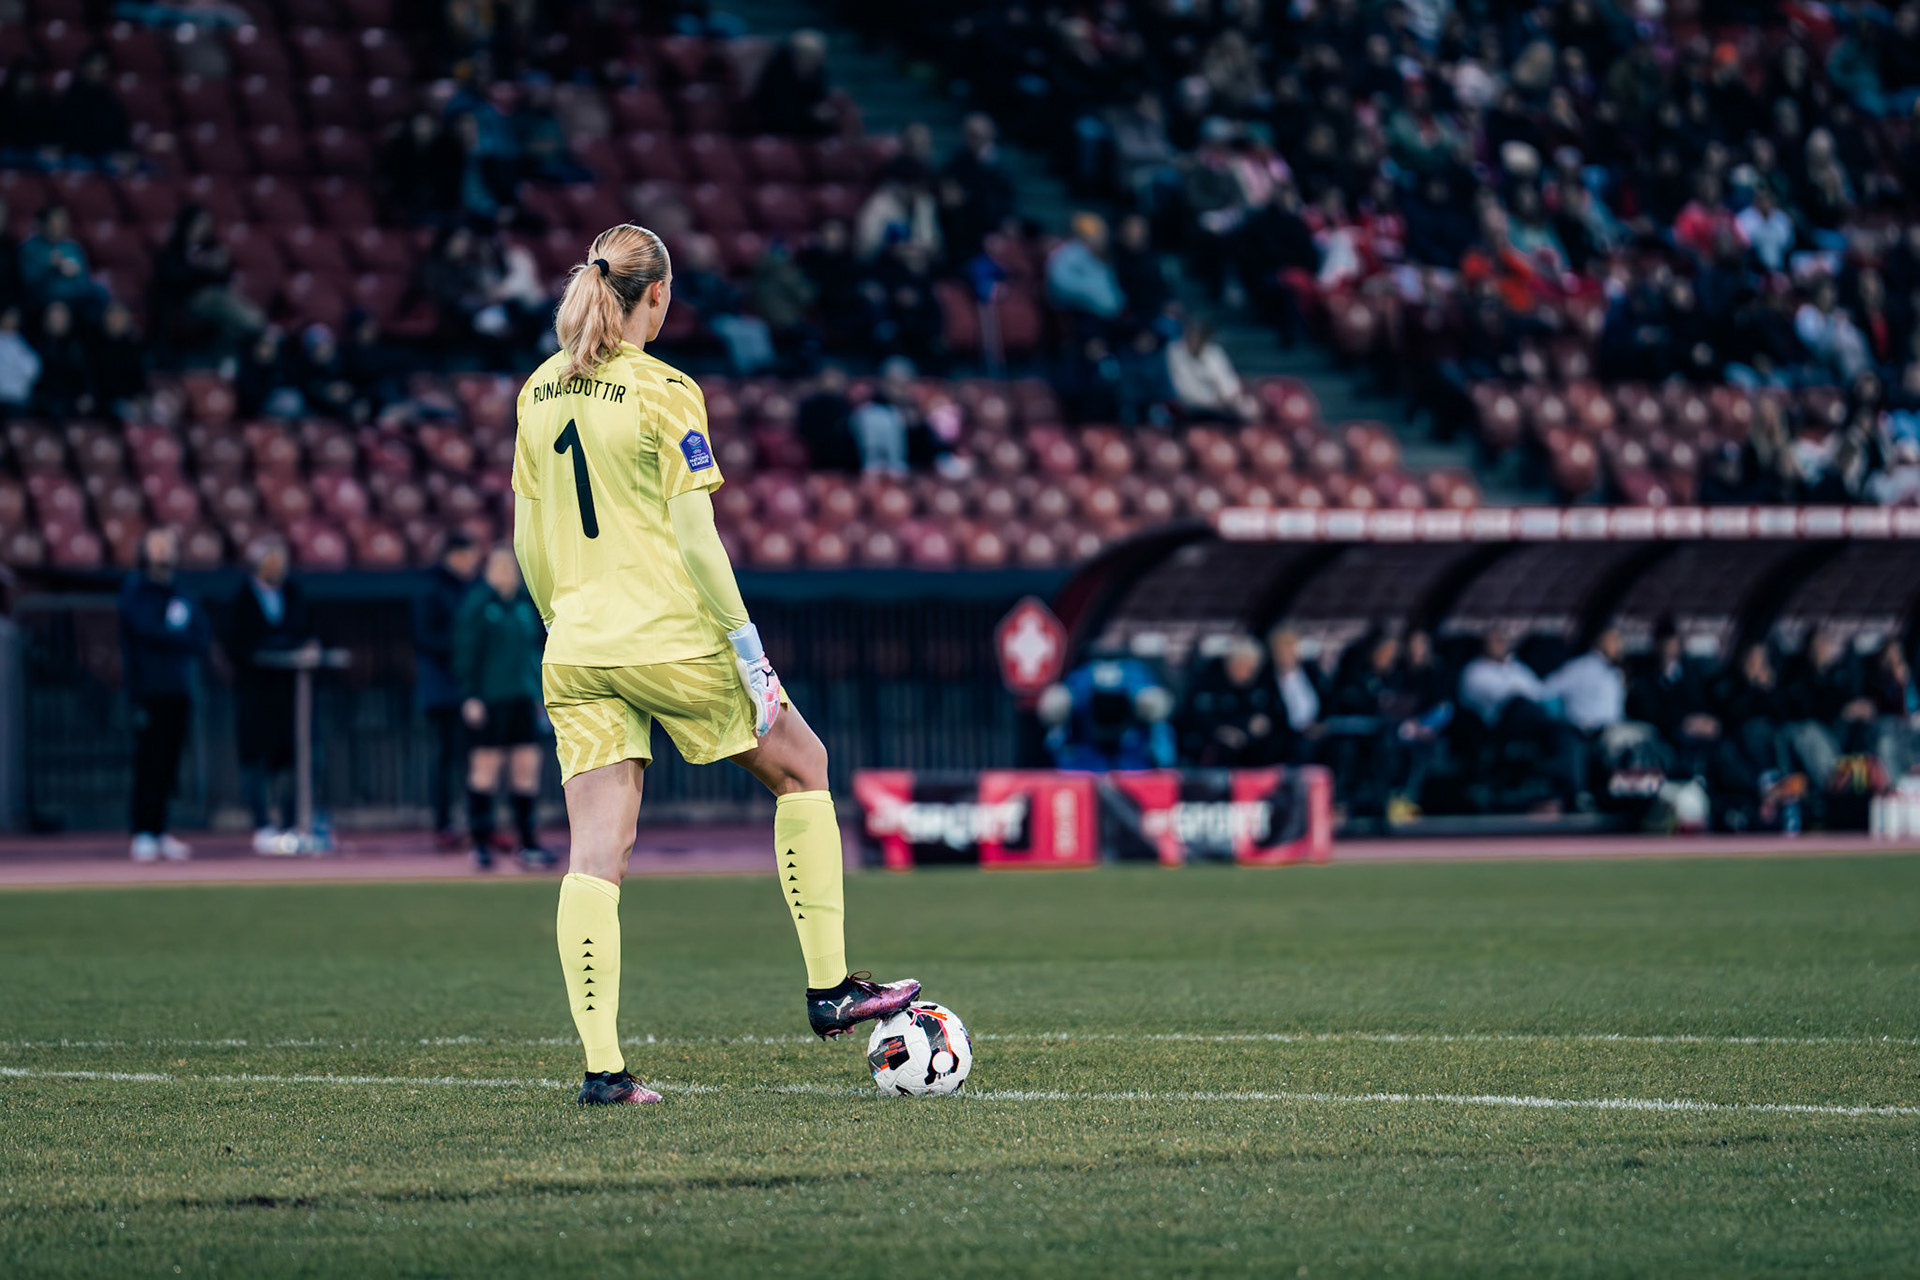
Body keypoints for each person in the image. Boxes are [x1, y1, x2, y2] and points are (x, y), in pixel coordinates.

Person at [512, 224, 919, 1105]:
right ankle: (830, 989)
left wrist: (562, 622)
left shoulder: (538, 390)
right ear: (656, 295)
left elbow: (526, 535)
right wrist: (750, 652)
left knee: (594, 856)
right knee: (803, 765)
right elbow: (696, 537)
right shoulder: (666, 390)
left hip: (575, 644)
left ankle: (604, 1073)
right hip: (665, 636)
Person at [455, 546, 553, 869]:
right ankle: (480, 843)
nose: (505, 573)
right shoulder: (479, 606)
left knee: (525, 771)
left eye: (510, 567)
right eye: (498, 567)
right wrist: (471, 695)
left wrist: (541, 695)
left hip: (523, 698)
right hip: (490, 699)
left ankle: (528, 843)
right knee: (485, 770)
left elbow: (538, 651)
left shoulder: (526, 606)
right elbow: (466, 652)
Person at [118, 528, 210, 862]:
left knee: (170, 761)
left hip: (178, 687)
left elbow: (199, 638)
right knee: (148, 761)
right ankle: (142, 830)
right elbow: (145, 630)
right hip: (147, 688)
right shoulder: (136, 590)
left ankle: (160, 829)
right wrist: (173, 632)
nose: (163, 553)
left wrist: (172, 633)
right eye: (157, 546)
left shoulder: (183, 594)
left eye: (168, 546)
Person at [227, 536, 314, 852]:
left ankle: (292, 824)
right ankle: (262, 823)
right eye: (270, 561)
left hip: (289, 693)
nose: (276, 567)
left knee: (291, 761)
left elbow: (304, 631)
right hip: (255, 694)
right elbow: (237, 644)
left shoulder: (293, 593)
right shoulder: (242, 598)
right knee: (256, 761)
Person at [413, 530, 483, 845]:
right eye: (469, 556)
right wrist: (464, 650)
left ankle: (476, 823)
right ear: (453, 555)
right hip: (443, 690)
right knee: (446, 759)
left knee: (474, 759)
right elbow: (425, 638)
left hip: (470, 688)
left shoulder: (472, 588)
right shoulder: (432, 588)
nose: (474, 563)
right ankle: (445, 824)